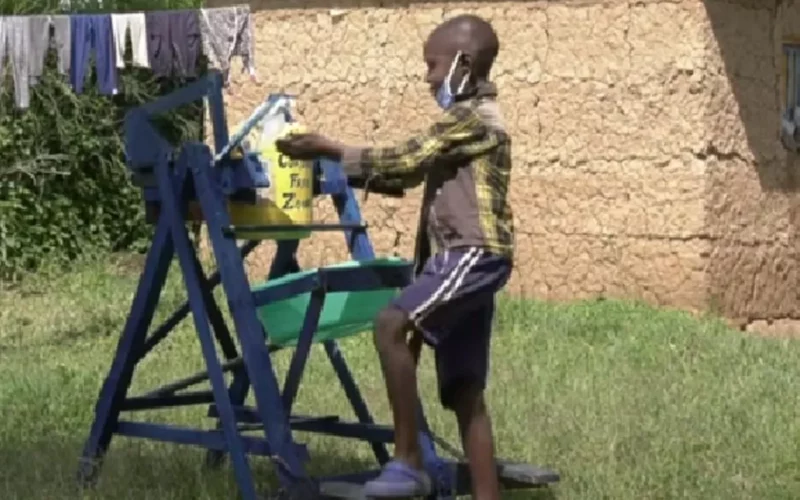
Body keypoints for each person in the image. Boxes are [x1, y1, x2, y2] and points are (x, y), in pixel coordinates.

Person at [276, 14, 514, 500]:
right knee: (464, 388)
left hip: (471, 254)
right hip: (467, 259)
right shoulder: (465, 123)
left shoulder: (472, 118)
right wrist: (344, 169)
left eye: (432, 65)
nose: (427, 77)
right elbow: (406, 176)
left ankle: (407, 464)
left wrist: (328, 148)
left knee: (389, 325)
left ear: (462, 64)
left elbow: (406, 159)